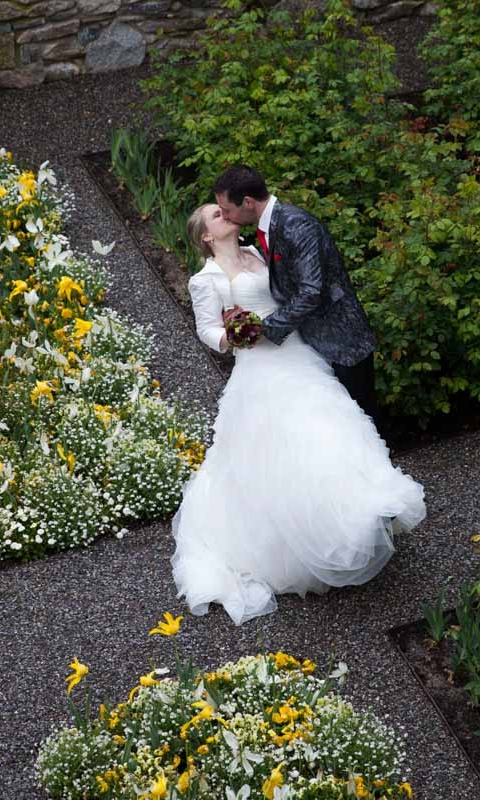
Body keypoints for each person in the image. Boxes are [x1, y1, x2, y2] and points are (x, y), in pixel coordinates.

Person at [171, 203, 426, 625]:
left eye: (224, 210)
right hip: (260, 368)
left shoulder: (259, 251)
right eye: (216, 215)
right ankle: (296, 542)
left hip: (298, 354)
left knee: (332, 426)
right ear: (205, 236)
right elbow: (205, 329)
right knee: (286, 447)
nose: (226, 215)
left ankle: (357, 511)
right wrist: (234, 335)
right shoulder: (207, 278)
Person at [212, 165, 380, 421]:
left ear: (247, 202)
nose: (225, 216)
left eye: (227, 210)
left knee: (360, 424)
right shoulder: (271, 226)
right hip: (313, 342)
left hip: (342, 341)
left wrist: (261, 327)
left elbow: (310, 292)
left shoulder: (296, 225)